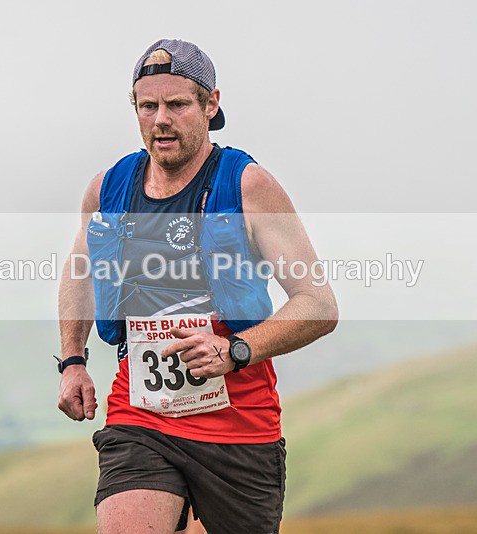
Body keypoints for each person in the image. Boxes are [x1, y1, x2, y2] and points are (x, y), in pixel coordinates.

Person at [57, 38, 338, 534]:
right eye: (148, 106)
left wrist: (235, 349)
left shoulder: (248, 185)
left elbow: (318, 304)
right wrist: (73, 361)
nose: (161, 119)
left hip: (239, 428)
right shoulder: (108, 189)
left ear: (210, 105)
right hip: (140, 415)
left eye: (177, 104)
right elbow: (80, 273)